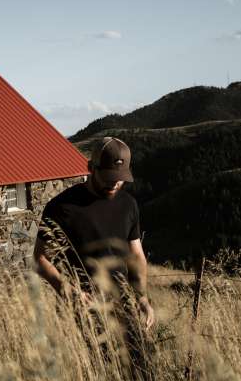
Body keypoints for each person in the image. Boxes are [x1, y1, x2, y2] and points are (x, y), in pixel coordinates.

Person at [33, 136, 155, 330]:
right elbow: (39, 259)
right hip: (82, 311)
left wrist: (142, 297)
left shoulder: (129, 204)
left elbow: (136, 255)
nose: (115, 183)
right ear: (91, 168)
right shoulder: (61, 207)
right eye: (108, 177)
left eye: (120, 178)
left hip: (125, 307)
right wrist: (68, 292)